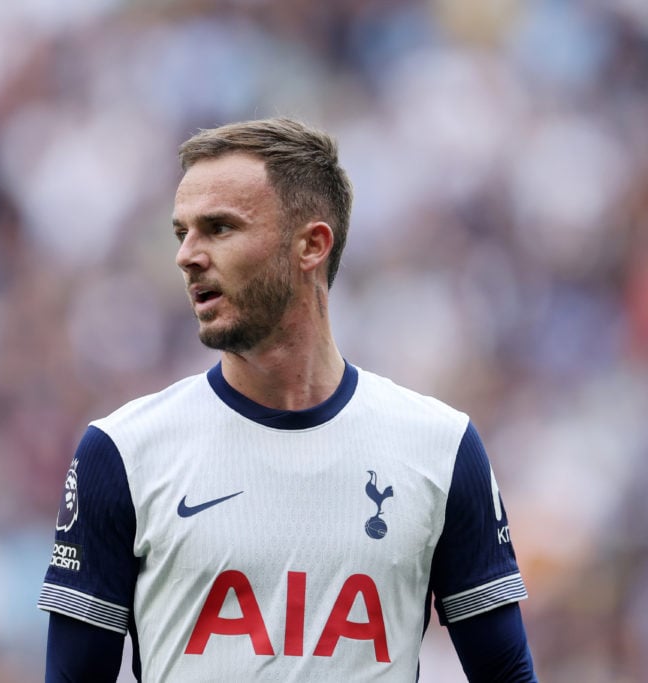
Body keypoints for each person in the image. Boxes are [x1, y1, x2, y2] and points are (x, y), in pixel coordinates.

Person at [37, 117, 537, 681]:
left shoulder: (440, 447)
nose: (187, 255)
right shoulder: (123, 452)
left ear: (311, 245)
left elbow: (506, 671)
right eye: (183, 233)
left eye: (219, 228)